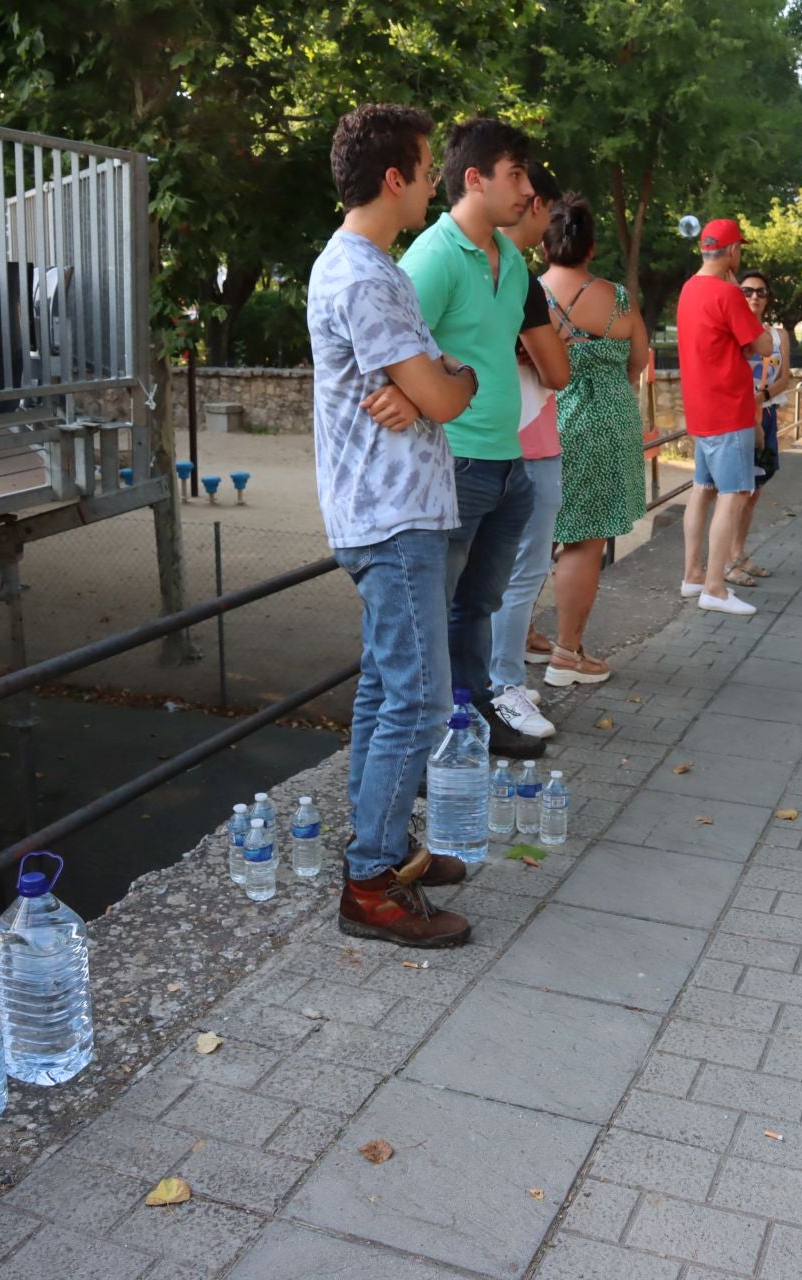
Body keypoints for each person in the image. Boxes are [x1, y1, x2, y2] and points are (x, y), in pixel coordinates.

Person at [308, 104, 476, 947]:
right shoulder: (367, 277)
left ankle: (381, 849)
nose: (435, 184)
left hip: (384, 510)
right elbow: (446, 393)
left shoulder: (364, 266)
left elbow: (440, 384)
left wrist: (442, 379)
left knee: (386, 690)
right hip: (391, 513)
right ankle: (371, 882)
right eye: (425, 165)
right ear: (394, 178)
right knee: (416, 697)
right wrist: (445, 383)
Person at [399, 118, 547, 760]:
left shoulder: (513, 261)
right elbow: (387, 346)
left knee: (478, 604)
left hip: (508, 462)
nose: (526, 188)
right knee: (432, 612)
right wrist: (399, 394)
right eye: (515, 174)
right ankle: (432, 740)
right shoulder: (432, 256)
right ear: (474, 178)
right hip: (453, 462)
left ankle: (474, 717)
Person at [538, 192, 651, 684]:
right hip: (605, 426)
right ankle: (568, 652)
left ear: (544, 244)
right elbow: (639, 360)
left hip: (541, 423)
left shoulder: (526, 293)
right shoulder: (617, 299)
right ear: (591, 246)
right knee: (584, 542)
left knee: (529, 538)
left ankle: (519, 637)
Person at [483, 163, 571, 732]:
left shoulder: (482, 264)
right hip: (527, 444)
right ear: (532, 203)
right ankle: (504, 684)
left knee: (486, 577)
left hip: (484, 440)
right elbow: (557, 370)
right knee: (522, 572)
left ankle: (494, 682)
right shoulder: (518, 276)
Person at [676, 219, 773, 615]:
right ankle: (714, 588)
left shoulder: (688, 289)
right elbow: (763, 344)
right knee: (733, 494)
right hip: (729, 407)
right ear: (732, 253)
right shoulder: (728, 293)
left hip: (700, 406)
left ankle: (692, 574)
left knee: (702, 488)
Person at [723, 269, 793, 585]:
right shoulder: (733, 332)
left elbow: (785, 378)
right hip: (737, 418)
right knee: (736, 492)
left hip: (764, 414)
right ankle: (725, 563)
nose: (754, 297)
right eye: (747, 291)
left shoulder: (778, 336)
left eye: (761, 292)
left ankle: (738, 554)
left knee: (754, 492)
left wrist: (760, 398)